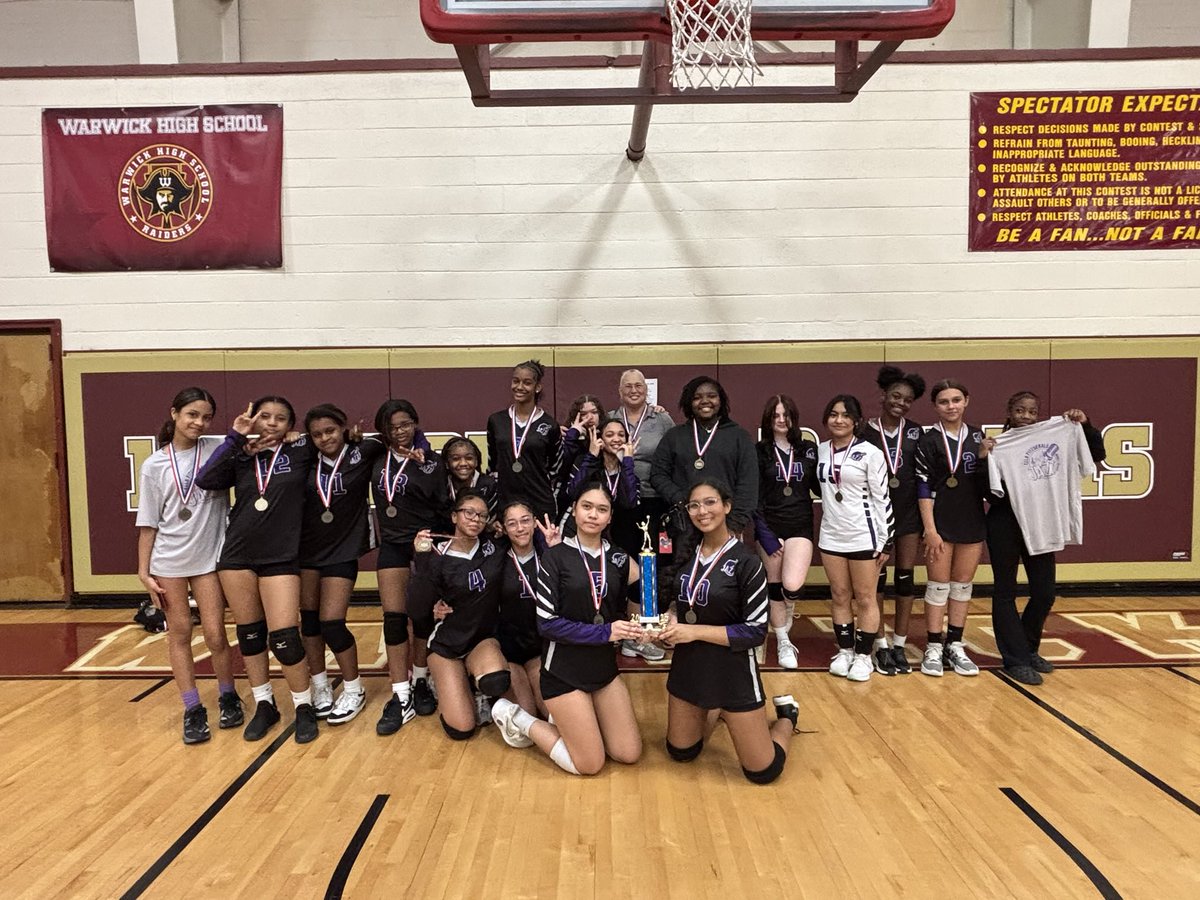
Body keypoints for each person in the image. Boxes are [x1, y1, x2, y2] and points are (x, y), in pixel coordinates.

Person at [490, 483, 647, 775]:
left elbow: (639, 595)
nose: (593, 515)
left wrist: (644, 625)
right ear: (574, 511)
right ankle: (520, 719)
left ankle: (586, 725)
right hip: (564, 671)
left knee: (628, 753)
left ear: (610, 517)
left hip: (603, 670)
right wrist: (606, 633)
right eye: (586, 507)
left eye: (602, 509)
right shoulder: (553, 557)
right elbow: (547, 624)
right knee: (590, 764)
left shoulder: (618, 558)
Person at [195, 396, 320, 744]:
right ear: (253, 419)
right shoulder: (240, 455)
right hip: (237, 556)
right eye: (265, 416)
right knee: (250, 636)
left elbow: (343, 438)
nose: (272, 423)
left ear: (291, 425)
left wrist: (303, 439)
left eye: (281, 418)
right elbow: (206, 479)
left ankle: (303, 705)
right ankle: (265, 704)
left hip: (280, 557)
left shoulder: (300, 452)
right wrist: (236, 437)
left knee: (285, 638)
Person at [658, 479, 799, 784]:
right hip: (689, 666)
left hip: (732, 671)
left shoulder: (747, 563)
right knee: (681, 752)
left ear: (727, 506)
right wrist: (668, 620)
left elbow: (754, 632)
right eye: (694, 505)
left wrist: (693, 632)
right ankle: (716, 711)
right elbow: (677, 606)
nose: (702, 511)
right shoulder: (686, 556)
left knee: (763, 771)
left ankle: (787, 718)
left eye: (710, 502)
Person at [135, 388, 240, 744]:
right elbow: (149, 524)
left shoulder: (216, 449)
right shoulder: (154, 465)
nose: (199, 422)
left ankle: (228, 695)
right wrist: (143, 571)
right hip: (169, 561)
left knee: (215, 634)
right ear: (175, 414)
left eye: (206, 417)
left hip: (209, 559)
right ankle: (193, 708)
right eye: (192, 414)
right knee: (179, 633)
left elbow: (254, 444)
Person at [986, 393, 1105, 685]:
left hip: (1041, 521)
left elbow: (1096, 455)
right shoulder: (999, 445)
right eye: (1019, 410)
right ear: (1009, 412)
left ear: (1038, 414)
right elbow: (989, 491)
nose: (1026, 416)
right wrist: (984, 457)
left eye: (1031, 411)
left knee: (1044, 593)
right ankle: (1014, 660)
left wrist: (1085, 425)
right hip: (1005, 523)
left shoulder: (1058, 434)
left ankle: (1028, 648)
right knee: (1005, 592)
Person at [408, 490, 521, 741]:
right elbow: (416, 609)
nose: (475, 519)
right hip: (447, 642)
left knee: (495, 680)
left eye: (482, 515)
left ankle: (477, 686)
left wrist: (501, 529)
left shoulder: (495, 546)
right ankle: (448, 684)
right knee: (462, 729)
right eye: (468, 513)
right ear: (454, 517)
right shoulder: (435, 554)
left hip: (481, 639)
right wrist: (422, 559)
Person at [297, 403, 381, 726]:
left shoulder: (364, 450)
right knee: (310, 622)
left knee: (332, 621)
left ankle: (353, 688)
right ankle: (319, 686)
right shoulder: (305, 457)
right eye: (316, 434)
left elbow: (395, 439)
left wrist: (356, 435)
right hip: (306, 551)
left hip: (343, 550)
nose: (324, 438)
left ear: (343, 427)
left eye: (330, 431)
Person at [370, 398, 449, 733]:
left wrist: (420, 462)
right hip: (391, 544)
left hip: (423, 543)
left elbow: (440, 501)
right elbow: (347, 442)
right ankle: (399, 694)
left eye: (405, 424)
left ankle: (419, 681)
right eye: (392, 426)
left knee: (419, 616)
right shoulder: (376, 454)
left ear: (416, 423)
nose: (399, 431)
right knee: (393, 618)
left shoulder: (432, 461)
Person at [914, 379, 994, 678]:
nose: (951, 406)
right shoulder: (928, 439)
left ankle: (955, 644)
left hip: (971, 520)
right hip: (940, 523)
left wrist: (985, 457)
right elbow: (922, 488)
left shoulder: (978, 437)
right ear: (935, 406)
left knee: (962, 585)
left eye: (956, 400)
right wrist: (930, 530)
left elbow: (987, 482)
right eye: (944, 402)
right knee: (937, 586)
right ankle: (933, 645)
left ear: (967, 401)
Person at [816, 395, 894, 682]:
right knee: (839, 596)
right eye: (833, 414)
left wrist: (886, 540)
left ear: (856, 421)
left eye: (845, 415)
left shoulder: (871, 452)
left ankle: (863, 656)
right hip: (831, 534)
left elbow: (882, 497)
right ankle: (845, 651)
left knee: (865, 597)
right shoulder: (822, 450)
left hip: (864, 535)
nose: (839, 420)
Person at [861, 366, 927, 675]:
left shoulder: (916, 432)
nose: (901, 402)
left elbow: (925, 479)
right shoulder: (863, 431)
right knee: (876, 581)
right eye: (896, 396)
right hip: (874, 518)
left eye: (908, 399)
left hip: (909, 516)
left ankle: (899, 643)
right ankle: (879, 642)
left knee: (904, 579)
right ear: (884, 395)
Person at [650, 375, 758, 552]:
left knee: (723, 577)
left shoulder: (739, 437)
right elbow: (658, 474)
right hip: (684, 524)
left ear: (721, 401)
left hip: (726, 525)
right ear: (688, 402)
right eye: (697, 397)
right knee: (684, 575)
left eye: (711, 396)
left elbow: (748, 484)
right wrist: (681, 500)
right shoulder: (674, 436)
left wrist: (735, 524)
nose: (705, 401)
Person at [752, 394, 818, 670]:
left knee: (792, 587)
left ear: (793, 418)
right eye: (775, 415)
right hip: (769, 525)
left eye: (786, 415)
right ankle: (782, 640)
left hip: (799, 524)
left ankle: (788, 609)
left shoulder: (808, 450)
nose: (781, 420)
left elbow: (821, 484)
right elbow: (752, 494)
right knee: (775, 586)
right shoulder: (759, 451)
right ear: (768, 419)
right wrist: (763, 532)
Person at [496, 500, 561, 717]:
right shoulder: (496, 561)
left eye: (525, 521)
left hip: (538, 649)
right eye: (512, 524)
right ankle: (487, 697)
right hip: (508, 651)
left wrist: (558, 550)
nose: (520, 528)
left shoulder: (550, 557)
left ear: (535, 523)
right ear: (503, 529)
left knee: (550, 714)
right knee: (525, 714)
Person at [486, 359, 562, 523]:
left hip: (539, 501)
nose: (520, 387)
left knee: (543, 547)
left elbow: (555, 468)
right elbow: (493, 463)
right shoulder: (496, 421)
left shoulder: (549, 425)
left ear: (537, 387)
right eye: (516, 381)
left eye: (527, 382)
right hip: (506, 501)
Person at [556, 394, 604, 516]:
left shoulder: (606, 437)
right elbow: (562, 467)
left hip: (601, 498)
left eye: (594, 412)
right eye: (583, 414)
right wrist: (572, 435)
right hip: (570, 502)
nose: (589, 417)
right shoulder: (567, 436)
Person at [442, 436, 499, 523]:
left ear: (476, 461)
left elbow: (489, 522)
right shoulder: (440, 486)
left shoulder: (489, 485)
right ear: (447, 463)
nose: (463, 463)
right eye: (456, 459)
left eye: (469, 458)